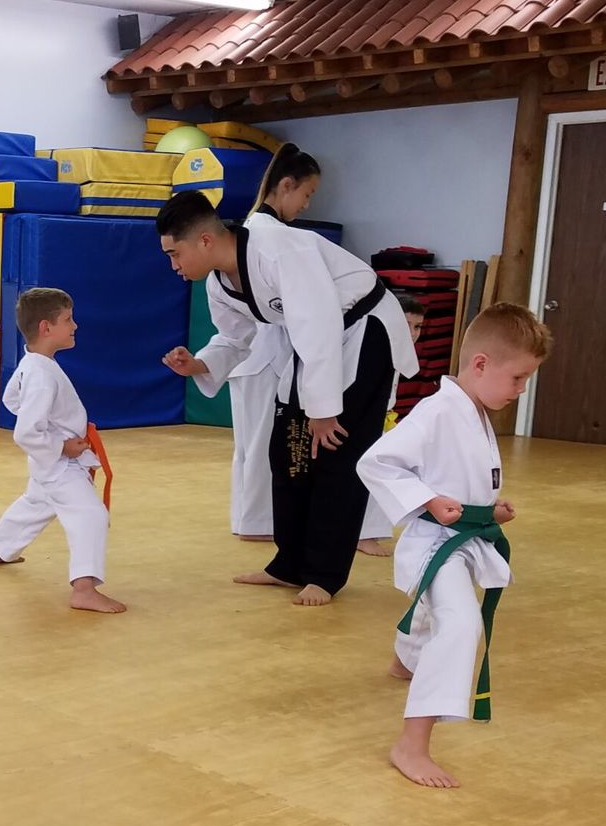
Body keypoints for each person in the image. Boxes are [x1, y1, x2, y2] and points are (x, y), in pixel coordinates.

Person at [157, 187, 417, 606]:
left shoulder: (276, 250)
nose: (174, 265)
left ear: (205, 240)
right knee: (287, 452)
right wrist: (199, 364)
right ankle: (289, 564)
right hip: (314, 348)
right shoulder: (220, 283)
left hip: (365, 335)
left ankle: (325, 575)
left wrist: (324, 410)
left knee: (338, 456)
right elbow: (234, 337)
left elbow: (319, 325)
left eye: (174, 253)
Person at [357, 303, 551, 789]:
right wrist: (428, 500)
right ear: (481, 363)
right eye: (518, 378)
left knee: (437, 610)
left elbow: (465, 479)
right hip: (434, 542)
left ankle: (405, 659)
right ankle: (412, 743)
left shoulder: (474, 410)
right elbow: (376, 462)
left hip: (463, 536)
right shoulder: (438, 411)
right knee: (461, 624)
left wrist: (489, 507)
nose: (521, 390)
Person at [172, 145, 322, 544]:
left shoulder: (265, 239)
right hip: (259, 358)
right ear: (285, 186)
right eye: (306, 194)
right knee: (257, 446)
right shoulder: (254, 246)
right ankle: (256, 523)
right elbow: (233, 334)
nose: (306, 205)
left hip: (280, 356)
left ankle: (266, 520)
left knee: (273, 446)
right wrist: (200, 364)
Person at [0, 287, 126, 614]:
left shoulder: (33, 363)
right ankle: (84, 589)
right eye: (68, 319)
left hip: (48, 464)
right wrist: (62, 445)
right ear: (46, 327)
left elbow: (11, 400)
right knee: (91, 515)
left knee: (34, 504)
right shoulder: (43, 375)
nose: (75, 326)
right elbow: (26, 432)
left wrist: (53, 432)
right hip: (60, 464)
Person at [354, 295, 429, 559]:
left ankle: (367, 531)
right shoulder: (375, 347)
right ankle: (363, 533)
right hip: (365, 418)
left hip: (383, 417)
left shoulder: (397, 349)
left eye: (418, 326)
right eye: (407, 324)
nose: (413, 332)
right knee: (379, 473)